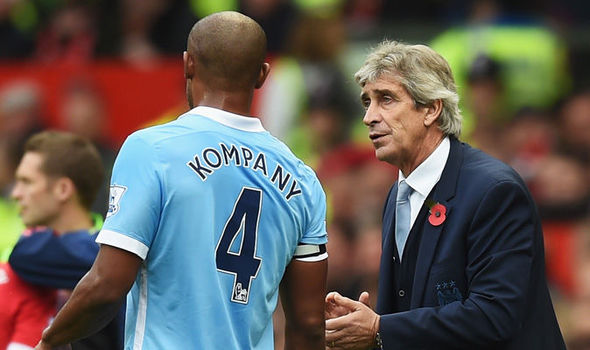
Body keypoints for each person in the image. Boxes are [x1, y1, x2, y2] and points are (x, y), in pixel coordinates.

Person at [35, 11, 328, 350]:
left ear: (188, 64)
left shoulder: (151, 149)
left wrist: (50, 340)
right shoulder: (302, 178)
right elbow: (308, 324)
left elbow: (107, 285)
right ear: (262, 74)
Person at [324, 40, 565, 349]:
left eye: (386, 99)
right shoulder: (397, 194)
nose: (369, 116)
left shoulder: (495, 191)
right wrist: (363, 326)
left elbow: (495, 315)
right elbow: (411, 313)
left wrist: (379, 328)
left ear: (431, 109)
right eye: (366, 101)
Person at [1, 130, 123, 349]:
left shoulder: (112, 253)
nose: (16, 193)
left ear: (63, 189)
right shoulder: (27, 247)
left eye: (26, 182)